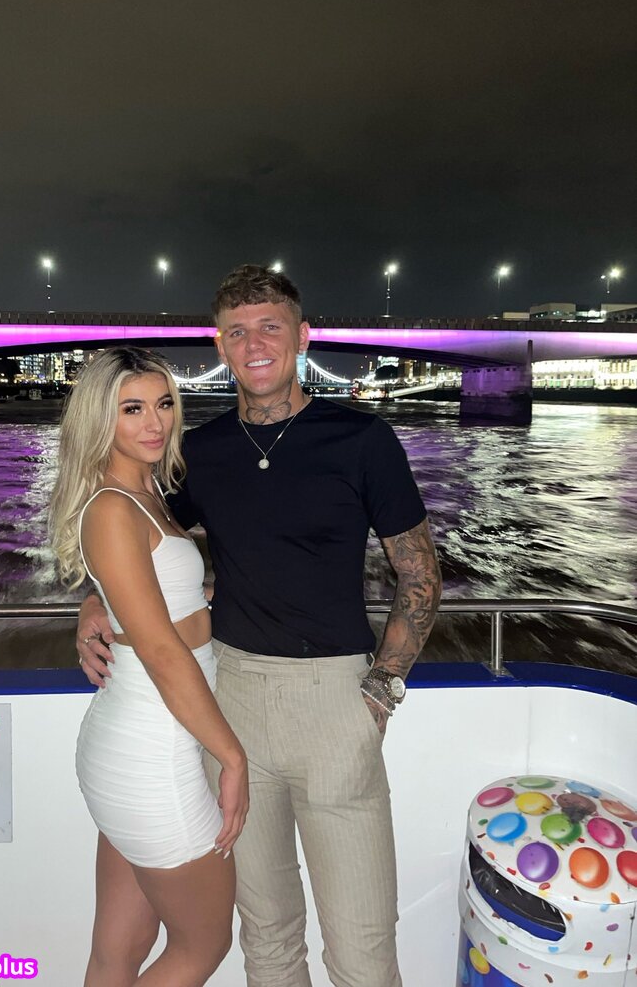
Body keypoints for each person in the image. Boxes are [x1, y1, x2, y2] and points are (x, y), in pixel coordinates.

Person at [78, 267, 442, 987]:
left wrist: (382, 690)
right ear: (220, 345)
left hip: (335, 700)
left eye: (270, 327)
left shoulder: (362, 439)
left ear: (302, 337)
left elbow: (421, 574)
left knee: (363, 948)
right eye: (237, 332)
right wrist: (95, 602)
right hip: (230, 697)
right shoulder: (200, 452)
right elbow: (138, 544)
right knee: (267, 939)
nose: (254, 345)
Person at [50, 346, 249, 987]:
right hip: (152, 754)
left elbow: (155, 596)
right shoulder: (114, 507)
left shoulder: (149, 493)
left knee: (121, 947)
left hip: (135, 744)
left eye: (163, 403)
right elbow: (163, 653)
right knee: (203, 945)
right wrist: (233, 759)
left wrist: (100, 601)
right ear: (99, 418)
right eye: (131, 409)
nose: (155, 422)